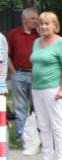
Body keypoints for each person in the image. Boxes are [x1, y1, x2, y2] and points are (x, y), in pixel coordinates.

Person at [30, 11, 62, 160]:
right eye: (41, 24)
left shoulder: (61, 43)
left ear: (55, 25)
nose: (44, 26)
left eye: (47, 23)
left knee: (57, 124)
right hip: (38, 88)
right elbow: (35, 64)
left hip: (54, 88)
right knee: (43, 125)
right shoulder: (36, 42)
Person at [7, 8, 39, 143]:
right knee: (20, 106)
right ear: (24, 19)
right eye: (33, 18)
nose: (36, 21)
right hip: (19, 73)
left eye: (36, 18)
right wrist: (13, 71)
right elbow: (7, 55)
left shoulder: (38, 35)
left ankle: (36, 134)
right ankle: (21, 136)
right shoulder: (13, 34)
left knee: (37, 106)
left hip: (36, 75)